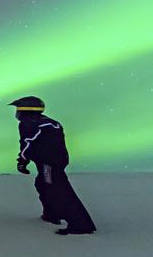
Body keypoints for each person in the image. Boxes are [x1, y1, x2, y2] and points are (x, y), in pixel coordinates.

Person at [10, 96, 97, 235]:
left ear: (26, 110)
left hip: (48, 164)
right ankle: (52, 214)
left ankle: (80, 224)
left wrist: (22, 161)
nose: (17, 113)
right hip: (55, 161)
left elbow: (27, 143)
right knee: (43, 185)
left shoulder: (29, 123)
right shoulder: (50, 122)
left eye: (18, 110)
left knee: (57, 189)